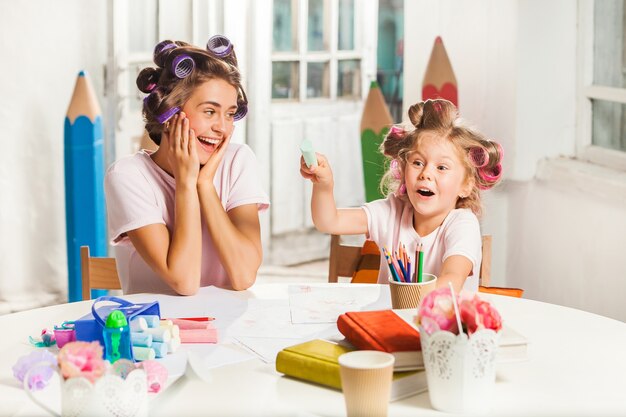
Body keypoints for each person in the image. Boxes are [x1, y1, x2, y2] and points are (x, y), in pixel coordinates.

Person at [105, 36, 269, 295]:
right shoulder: (128, 176)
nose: (222, 127)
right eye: (209, 111)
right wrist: (186, 184)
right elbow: (185, 281)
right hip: (157, 329)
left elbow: (243, 276)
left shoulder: (238, 161)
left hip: (228, 329)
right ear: (170, 114)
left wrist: (205, 186)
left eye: (229, 113)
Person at [300, 99, 502, 292]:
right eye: (417, 163)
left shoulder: (463, 225)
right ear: (404, 169)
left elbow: (451, 281)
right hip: (388, 324)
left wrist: (407, 300)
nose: (426, 173)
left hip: (441, 326)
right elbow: (329, 222)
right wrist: (324, 186)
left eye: (441, 167)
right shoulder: (391, 212)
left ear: (466, 185)